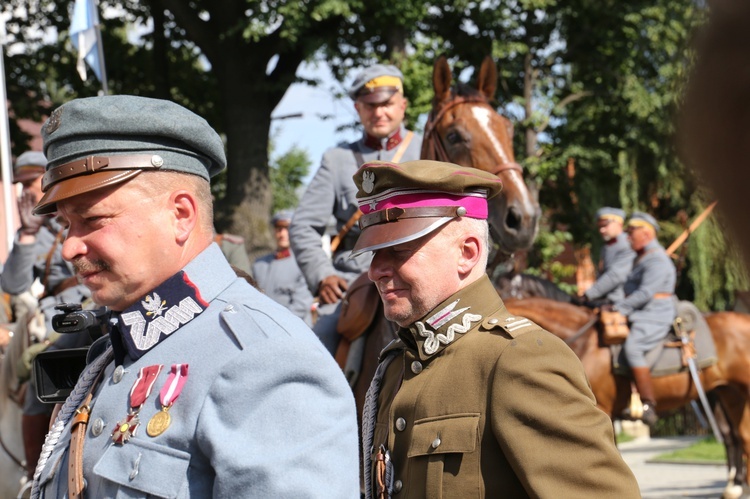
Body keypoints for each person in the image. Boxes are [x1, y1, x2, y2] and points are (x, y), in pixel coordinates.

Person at [29, 95, 359, 498]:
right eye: (66, 224)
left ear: (181, 214)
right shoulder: (113, 352)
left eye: (92, 219)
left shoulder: (262, 359)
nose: (69, 247)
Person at [354, 159, 641, 498]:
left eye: (398, 250)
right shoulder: (394, 365)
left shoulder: (518, 360)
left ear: (467, 252)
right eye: (374, 253)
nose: (375, 271)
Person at [289, 63, 422, 355]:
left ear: (403, 105)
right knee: (315, 354)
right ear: (358, 109)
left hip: (420, 274)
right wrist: (322, 275)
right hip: (356, 283)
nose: (379, 113)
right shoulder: (337, 159)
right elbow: (302, 226)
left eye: (386, 104)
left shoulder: (427, 152)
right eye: (369, 105)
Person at [0, 150, 94, 480]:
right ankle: (33, 475)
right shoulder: (35, 230)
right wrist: (26, 235)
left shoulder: (85, 209)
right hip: (56, 322)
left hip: (96, 310)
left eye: (30, 183)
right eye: (21, 185)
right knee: (41, 379)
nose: (25, 191)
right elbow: (12, 283)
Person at [612, 212, 677, 428]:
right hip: (640, 312)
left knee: (633, 348)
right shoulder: (642, 257)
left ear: (646, 234)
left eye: (632, 232)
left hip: (655, 313)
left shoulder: (657, 259)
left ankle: (649, 404)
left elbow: (646, 293)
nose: (628, 236)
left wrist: (618, 308)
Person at [252, 210, 314, 326]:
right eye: (279, 229)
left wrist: (275, 324)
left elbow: (301, 306)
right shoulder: (259, 265)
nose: (283, 234)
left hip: (295, 330)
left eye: (287, 229)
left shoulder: (303, 263)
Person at [581, 206, 636, 304]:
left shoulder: (627, 245)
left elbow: (614, 276)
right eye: (599, 226)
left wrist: (589, 295)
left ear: (619, 223)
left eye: (605, 225)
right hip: (605, 298)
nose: (601, 230)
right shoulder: (607, 246)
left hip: (620, 300)